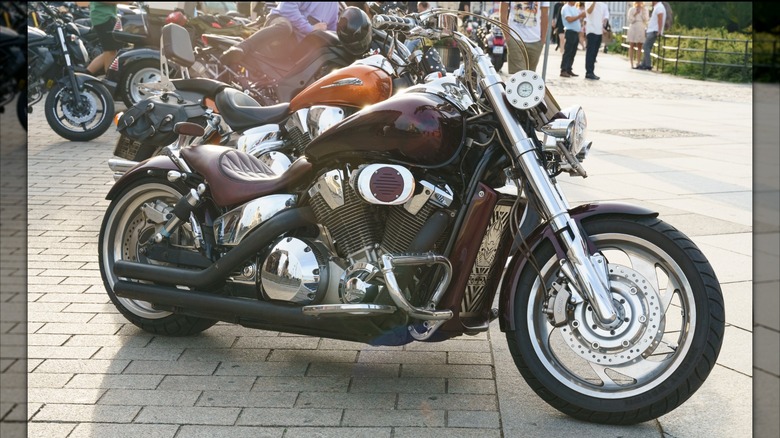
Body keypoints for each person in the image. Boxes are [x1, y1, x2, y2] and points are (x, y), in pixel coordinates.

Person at [221, 2, 339, 65]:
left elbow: (332, 31)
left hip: (296, 45)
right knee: (285, 27)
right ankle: (241, 47)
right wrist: (310, 28)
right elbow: (286, 8)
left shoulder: (334, 6)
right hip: (279, 23)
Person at [500, 2, 549, 73]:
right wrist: (508, 37)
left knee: (530, 75)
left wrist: (542, 39)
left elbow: (544, 15)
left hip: (535, 40)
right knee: (518, 75)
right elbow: (502, 15)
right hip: (515, 39)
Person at [86, 1, 123, 76]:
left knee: (109, 51)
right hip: (104, 17)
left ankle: (85, 74)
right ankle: (110, 80)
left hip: (105, 16)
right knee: (111, 51)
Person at [635, 1, 665, 70]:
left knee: (645, 46)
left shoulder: (659, 7)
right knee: (647, 47)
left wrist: (659, 30)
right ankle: (643, 64)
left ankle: (648, 65)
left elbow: (660, 19)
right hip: (652, 30)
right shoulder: (657, 7)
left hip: (654, 30)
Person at [583, 1, 607, 80]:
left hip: (599, 31)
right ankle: (589, 72)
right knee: (590, 52)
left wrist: (603, 27)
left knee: (595, 53)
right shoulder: (588, 3)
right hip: (591, 30)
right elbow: (589, 12)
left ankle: (592, 71)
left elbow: (604, 17)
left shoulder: (602, 4)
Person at [560, 0, 584, 77]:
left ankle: (569, 68)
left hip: (575, 32)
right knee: (568, 51)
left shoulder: (574, 8)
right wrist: (580, 16)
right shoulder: (566, 8)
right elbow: (569, 19)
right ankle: (563, 69)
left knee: (573, 52)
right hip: (570, 31)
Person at [626, 1, 649, 69]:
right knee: (631, 45)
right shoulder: (631, 9)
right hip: (633, 26)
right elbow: (630, 20)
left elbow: (646, 19)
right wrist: (636, 13)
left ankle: (638, 62)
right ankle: (631, 63)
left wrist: (643, 11)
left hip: (641, 27)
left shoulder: (645, 9)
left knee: (640, 46)